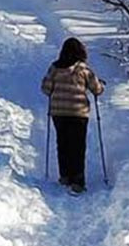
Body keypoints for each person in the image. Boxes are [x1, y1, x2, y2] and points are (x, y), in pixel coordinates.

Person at [41, 38, 105, 193]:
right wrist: (101, 85)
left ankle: (65, 176)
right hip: (78, 112)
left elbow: (46, 88)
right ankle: (77, 181)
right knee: (77, 146)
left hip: (58, 112)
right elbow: (97, 89)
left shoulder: (54, 68)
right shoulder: (83, 69)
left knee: (62, 144)